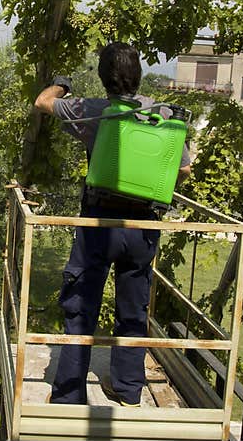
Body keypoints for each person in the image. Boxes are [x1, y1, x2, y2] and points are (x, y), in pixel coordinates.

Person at [33, 41, 192, 407]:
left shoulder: (94, 111)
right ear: (139, 76)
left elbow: (43, 102)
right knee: (133, 309)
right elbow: (182, 170)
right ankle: (127, 387)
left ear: (104, 78)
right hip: (143, 229)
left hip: (99, 224)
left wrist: (61, 83)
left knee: (80, 306)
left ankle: (69, 395)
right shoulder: (164, 114)